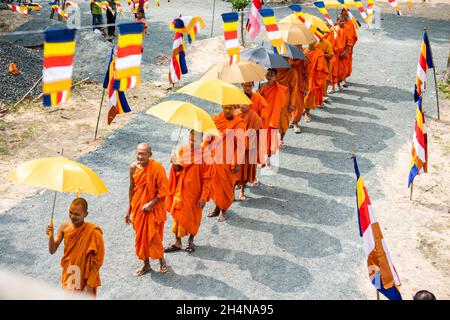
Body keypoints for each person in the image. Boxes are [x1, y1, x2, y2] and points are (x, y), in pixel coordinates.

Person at [165, 130, 212, 253]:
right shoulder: (183, 150)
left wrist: (203, 197)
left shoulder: (206, 155)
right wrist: (174, 161)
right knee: (178, 215)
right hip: (180, 191)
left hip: (196, 193)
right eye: (190, 140)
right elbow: (178, 169)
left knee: (194, 217)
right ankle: (177, 242)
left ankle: (191, 241)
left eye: (195, 140)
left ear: (201, 141)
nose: (192, 143)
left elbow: (208, 179)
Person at [46, 198, 104, 297]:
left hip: (85, 276)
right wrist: (51, 236)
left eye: (77, 214)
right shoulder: (64, 227)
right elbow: (52, 250)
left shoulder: (93, 232)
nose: (72, 216)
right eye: (70, 212)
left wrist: (89, 285)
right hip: (70, 272)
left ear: (85, 214)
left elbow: (97, 261)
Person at [126, 142, 168, 276]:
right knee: (141, 236)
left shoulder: (157, 168)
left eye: (143, 154)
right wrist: (129, 209)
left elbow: (164, 191)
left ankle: (162, 260)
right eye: (138, 153)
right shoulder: (133, 168)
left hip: (153, 209)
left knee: (154, 236)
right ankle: (146, 265)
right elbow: (131, 188)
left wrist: (151, 204)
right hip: (138, 207)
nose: (140, 156)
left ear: (150, 155)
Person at [207, 105, 245, 222]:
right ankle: (217, 207)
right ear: (222, 107)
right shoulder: (215, 120)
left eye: (230, 108)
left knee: (226, 186)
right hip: (214, 159)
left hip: (228, 161)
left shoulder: (239, 124)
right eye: (225, 108)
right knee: (214, 185)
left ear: (234, 109)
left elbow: (241, 145)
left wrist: (237, 162)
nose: (227, 110)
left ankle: (224, 210)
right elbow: (208, 138)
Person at [259, 68, 287, 166]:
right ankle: (261, 159)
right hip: (264, 116)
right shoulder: (262, 86)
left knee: (271, 139)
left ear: (276, 77)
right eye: (268, 74)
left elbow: (282, 104)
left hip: (274, 117)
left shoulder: (280, 89)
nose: (269, 76)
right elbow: (259, 100)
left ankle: (269, 159)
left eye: (272, 75)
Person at [234, 103, 262, 200]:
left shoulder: (254, 116)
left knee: (245, 171)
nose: (243, 106)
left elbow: (258, 131)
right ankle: (232, 192)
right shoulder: (235, 114)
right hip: (235, 147)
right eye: (241, 103)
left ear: (249, 105)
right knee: (233, 171)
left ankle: (242, 191)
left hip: (248, 149)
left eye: (246, 104)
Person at [304, 42, 329, 122]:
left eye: (312, 41)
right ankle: (302, 110)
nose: (310, 43)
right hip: (303, 77)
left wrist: (318, 80)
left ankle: (307, 113)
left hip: (313, 78)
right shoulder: (304, 51)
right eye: (309, 41)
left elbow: (321, 69)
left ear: (315, 42)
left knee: (309, 96)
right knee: (301, 96)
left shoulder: (319, 54)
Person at [276, 58, 298, 137]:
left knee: (284, 121)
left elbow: (294, 89)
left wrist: (292, 104)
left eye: (288, 60)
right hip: (273, 97)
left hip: (285, 99)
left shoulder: (292, 72)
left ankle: (281, 139)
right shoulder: (274, 69)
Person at [290, 50, 308, 133]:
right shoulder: (285, 56)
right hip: (288, 84)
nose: (298, 47)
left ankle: (295, 122)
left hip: (299, 85)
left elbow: (306, 73)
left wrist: (306, 86)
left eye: (299, 46)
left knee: (299, 106)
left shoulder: (303, 58)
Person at [332, 15, 351, 92]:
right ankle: (333, 86)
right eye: (340, 21)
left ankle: (339, 84)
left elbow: (349, 42)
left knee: (342, 70)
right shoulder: (334, 29)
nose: (342, 22)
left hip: (344, 54)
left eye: (343, 21)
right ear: (337, 21)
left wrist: (344, 52)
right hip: (336, 53)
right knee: (334, 70)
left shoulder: (347, 29)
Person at [317, 29, 335, 105]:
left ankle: (322, 97)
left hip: (323, 66)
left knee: (323, 83)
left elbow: (331, 54)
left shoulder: (327, 43)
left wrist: (322, 55)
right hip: (314, 67)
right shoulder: (312, 43)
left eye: (321, 34)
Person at [341, 9, 358, 86]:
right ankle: (336, 80)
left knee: (345, 64)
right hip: (338, 48)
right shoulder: (338, 24)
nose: (345, 16)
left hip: (348, 47)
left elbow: (354, 37)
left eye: (346, 15)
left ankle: (344, 79)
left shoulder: (351, 24)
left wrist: (351, 48)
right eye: (343, 14)